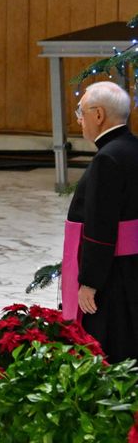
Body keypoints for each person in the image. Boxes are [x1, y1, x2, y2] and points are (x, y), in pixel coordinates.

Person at [64, 81, 138, 364]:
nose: (79, 119)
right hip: (132, 264)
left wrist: (90, 282)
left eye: (80, 112)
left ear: (98, 115)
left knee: (110, 342)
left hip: (114, 272)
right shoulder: (132, 148)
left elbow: (100, 226)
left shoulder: (108, 158)